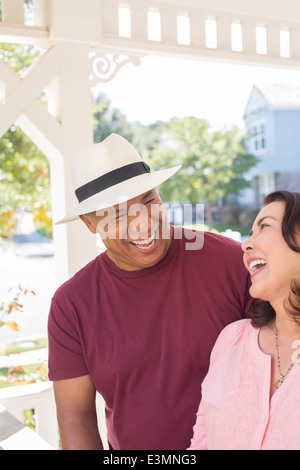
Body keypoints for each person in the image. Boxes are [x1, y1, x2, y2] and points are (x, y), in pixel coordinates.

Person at [47, 133, 252, 450]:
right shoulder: (72, 304)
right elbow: (76, 419)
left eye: (148, 201)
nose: (142, 225)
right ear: (90, 224)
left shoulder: (233, 263)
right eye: (116, 215)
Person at [188, 190, 300, 451]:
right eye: (249, 233)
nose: (245, 245)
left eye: (264, 227)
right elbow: (201, 443)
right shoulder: (232, 340)